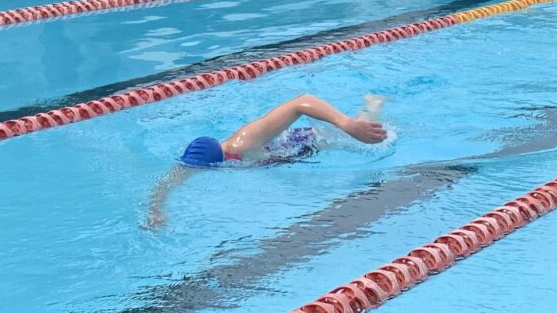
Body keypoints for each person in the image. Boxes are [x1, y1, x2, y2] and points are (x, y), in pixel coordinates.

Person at [145, 94, 386, 229]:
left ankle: (371, 107)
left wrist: (346, 124)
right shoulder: (205, 158)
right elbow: (170, 182)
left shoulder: (244, 142)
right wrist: (156, 210)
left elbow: (300, 102)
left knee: (363, 137)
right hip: (282, 158)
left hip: (306, 142)